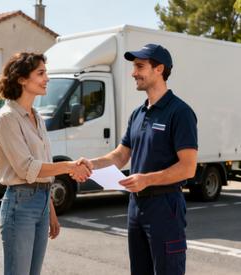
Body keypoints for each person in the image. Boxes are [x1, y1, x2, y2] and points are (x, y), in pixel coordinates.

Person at [78, 43, 197, 275]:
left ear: (159, 69)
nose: (133, 73)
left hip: (165, 206)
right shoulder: (138, 114)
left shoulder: (180, 112)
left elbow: (188, 167)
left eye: (140, 66)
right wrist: (92, 164)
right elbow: (120, 155)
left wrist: (147, 179)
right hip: (136, 206)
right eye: (134, 67)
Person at [0, 52, 92, 275]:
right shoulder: (8, 117)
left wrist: (50, 211)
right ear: (21, 79)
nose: (47, 78)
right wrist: (69, 166)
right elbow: (26, 168)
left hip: (42, 202)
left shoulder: (36, 117)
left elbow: (44, 165)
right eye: (40, 73)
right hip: (20, 205)